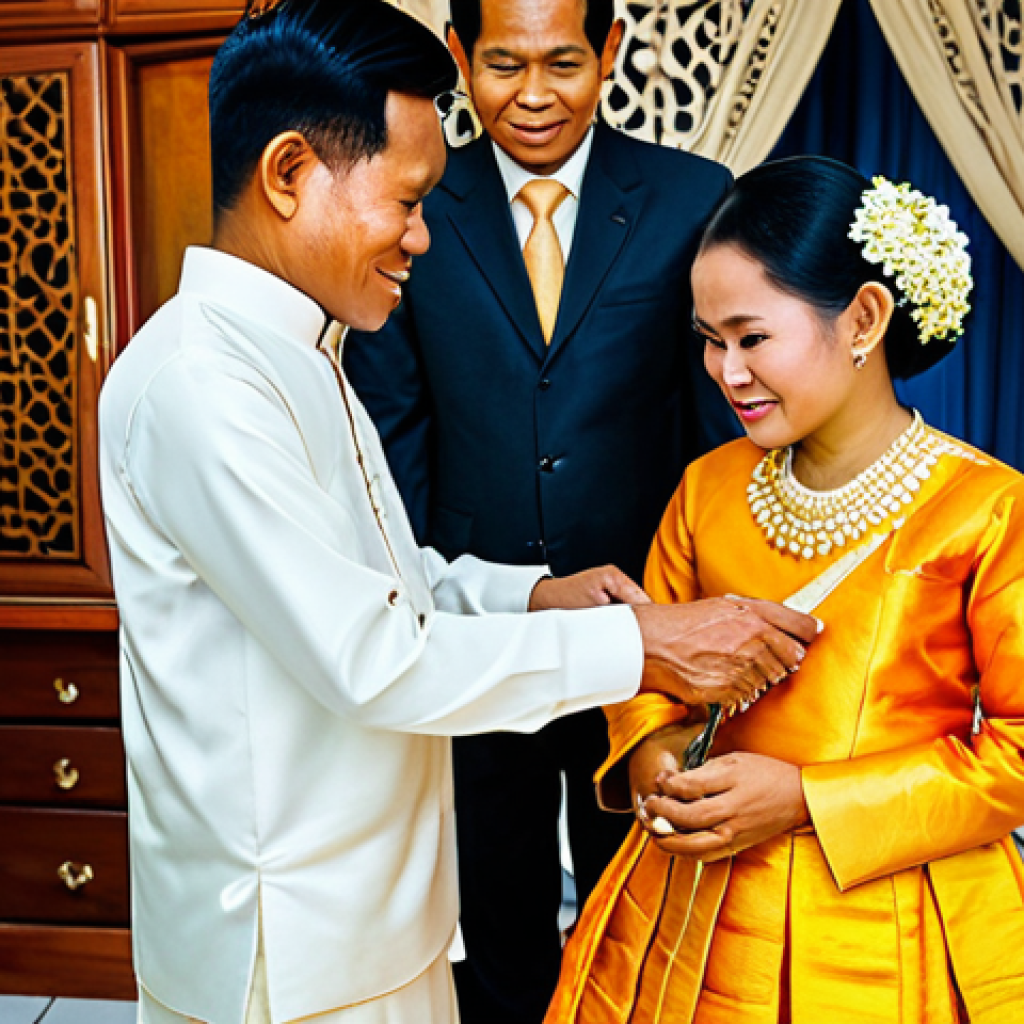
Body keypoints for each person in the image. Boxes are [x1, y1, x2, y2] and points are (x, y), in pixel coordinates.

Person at [98, 3, 817, 1023]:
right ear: (290, 174)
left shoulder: (293, 350)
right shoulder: (201, 385)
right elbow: (372, 654)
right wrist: (641, 646)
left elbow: (384, 572)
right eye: (406, 201)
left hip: (372, 917)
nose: (422, 237)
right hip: (292, 939)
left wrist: (533, 594)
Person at [544, 155, 1024, 1024]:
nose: (724, 371)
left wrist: (806, 798)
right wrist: (654, 763)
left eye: (751, 336)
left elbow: (1019, 754)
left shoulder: (987, 511)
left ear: (865, 318)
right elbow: (647, 674)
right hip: (688, 908)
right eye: (708, 338)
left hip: (889, 924)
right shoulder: (708, 489)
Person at [342, 1, 735, 1018]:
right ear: (459, 58)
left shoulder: (690, 197)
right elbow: (396, 428)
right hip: (477, 631)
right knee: (493, 910)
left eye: (562, 62)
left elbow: (719, 437)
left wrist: (699, 614)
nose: (532, 95)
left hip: (643, 633)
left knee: (640, 906)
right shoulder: (417, 201)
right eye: (503, 64)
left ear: (609, 52)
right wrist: (420, 604)